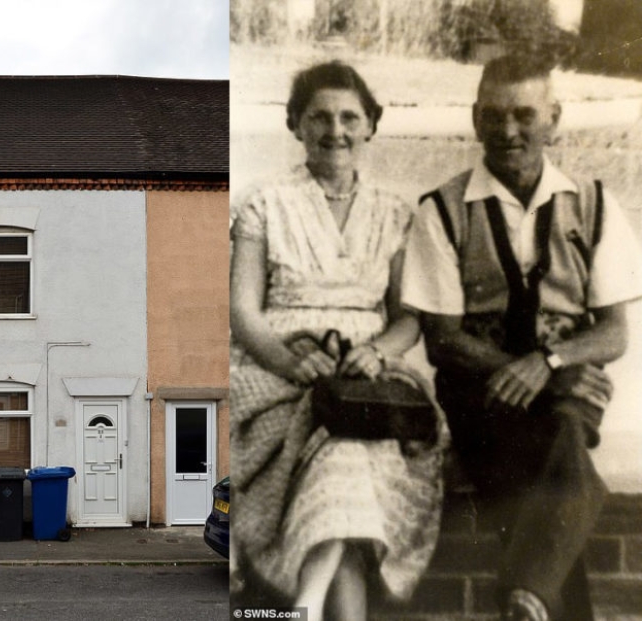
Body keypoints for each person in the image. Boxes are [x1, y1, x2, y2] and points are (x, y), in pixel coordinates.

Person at [401, 53, 642, 621]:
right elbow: (442, 338)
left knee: (559, 429)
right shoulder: (442, 210)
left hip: (568, 390)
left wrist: (549, 362)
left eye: (525, 115)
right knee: (563, 456)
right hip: (481, 398)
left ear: (554, 118)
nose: (508, 130)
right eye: (494, 115)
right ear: (474, 118)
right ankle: (528, 593)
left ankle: (525, 592)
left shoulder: (596, 204)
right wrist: (515, 371)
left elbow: (613, 332)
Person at [230, 60, 447, 620]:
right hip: (278, 374)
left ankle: (304, 608)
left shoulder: (395, 213)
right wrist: (286, 361)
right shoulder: (263, 205)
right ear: (295, 125)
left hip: (365, 378)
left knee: (349, 437)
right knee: (346, 447)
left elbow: (406, 318)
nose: (336, 130)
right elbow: (243, 311)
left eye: (351, 117)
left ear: (371, 125)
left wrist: (378, 353)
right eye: (319, 117)